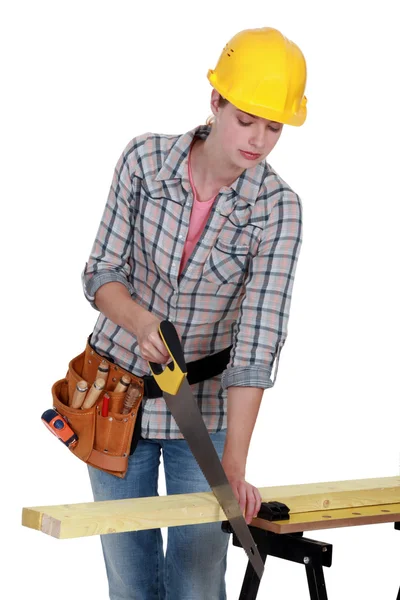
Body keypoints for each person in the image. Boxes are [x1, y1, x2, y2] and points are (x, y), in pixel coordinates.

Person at [82, 26, 307, 600]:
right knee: (131, 583)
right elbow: (100, 273)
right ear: (216, 102)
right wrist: (140, 324)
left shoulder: (278, 209)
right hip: (114, 398)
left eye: (274, 126)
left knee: (198, 584)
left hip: (201, 414)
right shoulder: (143, 161)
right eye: (246, 119)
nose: (258, 140)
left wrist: (233, 463)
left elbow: (258, 341)